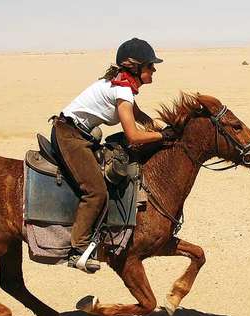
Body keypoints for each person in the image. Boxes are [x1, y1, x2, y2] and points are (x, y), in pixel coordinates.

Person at [52, 38, 176, 273]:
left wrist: (168, 127)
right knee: (96, 191)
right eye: (150, 66)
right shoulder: (123, 91)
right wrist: (163, 137)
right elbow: (134, 137)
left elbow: (143, 119)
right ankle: (77, 249)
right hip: (69, 136)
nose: (154, 70)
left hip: (81, 134)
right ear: (136, 67)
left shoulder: (124, 87)